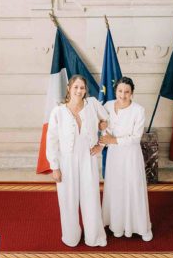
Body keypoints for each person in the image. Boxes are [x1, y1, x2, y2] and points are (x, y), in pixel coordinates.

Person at [46, 75, 109, 247]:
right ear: (69, 88)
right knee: (68, 199)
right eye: (76, 87)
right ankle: (71, 236)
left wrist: (101, 145)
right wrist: (55, 167)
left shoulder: (93, 105)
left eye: (82, 88)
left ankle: (93, 236)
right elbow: (51, 140)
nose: (79, 91)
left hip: (88, 159)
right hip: (66, 161)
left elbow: (107, 122)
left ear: (85, 90)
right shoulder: (58, 112)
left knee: (91, 198)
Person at [99, 77, 153, 241]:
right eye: (120, 91)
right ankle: (117, 225)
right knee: (116, 188)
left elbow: (136, 138)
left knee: (132, 188)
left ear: (132, 93)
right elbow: (103, 128)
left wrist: (113, 141)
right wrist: (102, 130)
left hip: (130, 156)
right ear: (115, 91)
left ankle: (140, 227)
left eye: (126, 92)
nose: (123, 95)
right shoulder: (107, 106)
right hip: (114, 156)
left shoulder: (138, 110)